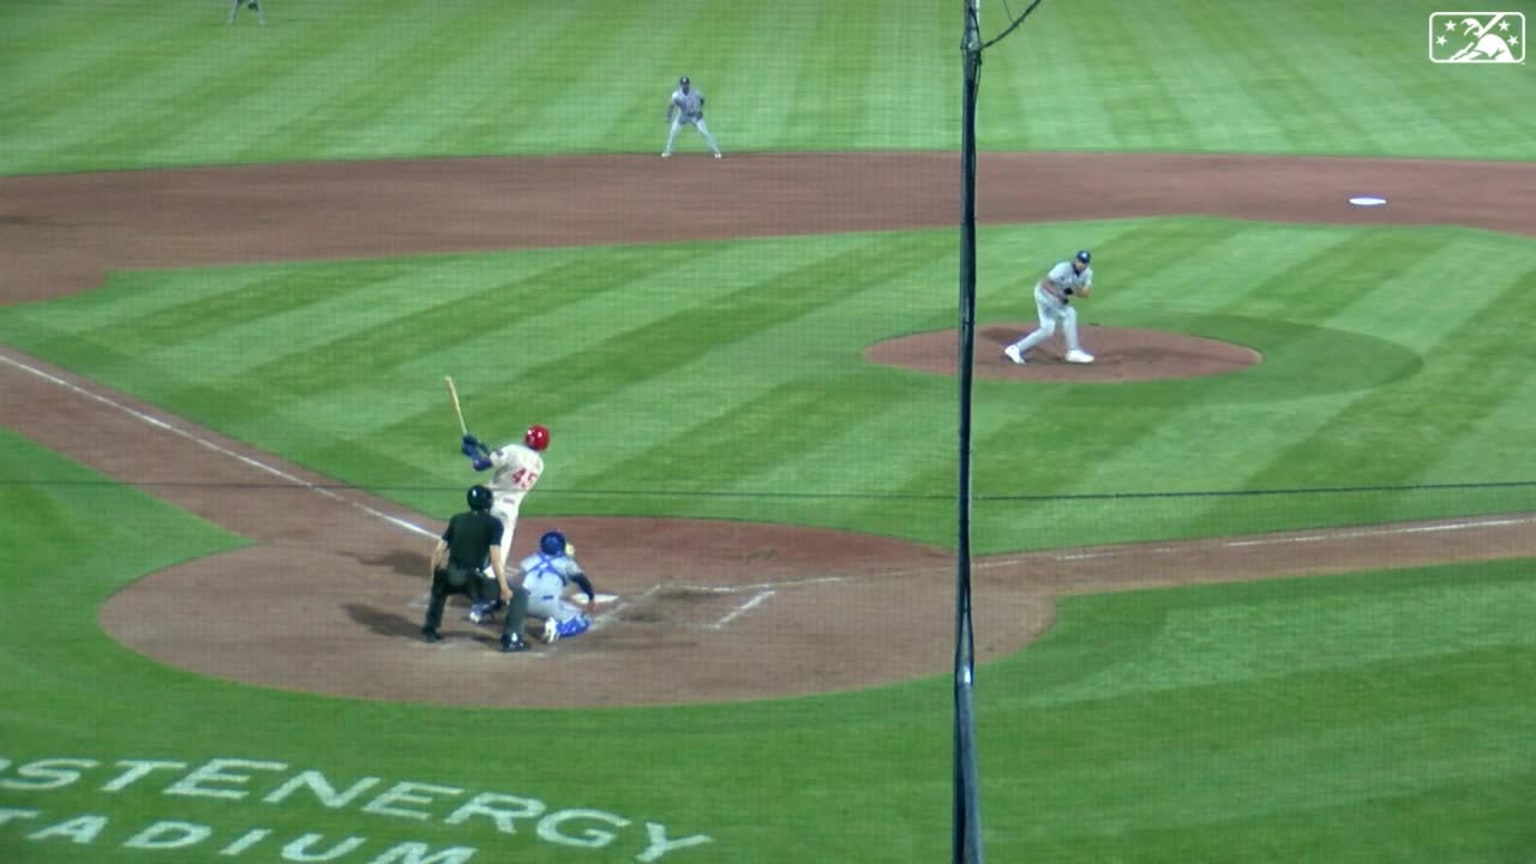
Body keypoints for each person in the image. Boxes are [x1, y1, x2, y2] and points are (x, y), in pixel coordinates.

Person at [421, 485, 533, 653]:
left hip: (452, 578)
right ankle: (512, 639)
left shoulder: (457, 519)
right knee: (520, 593)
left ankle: (430, 629)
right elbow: (495, 558)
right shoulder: (494, 524)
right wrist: (503, 588)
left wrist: (434, 578)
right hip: (474, 581)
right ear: (489, 502)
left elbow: (438, 552)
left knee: (439, 586)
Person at [459, 424, 549, 573]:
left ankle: (466, 571)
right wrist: (480, 444)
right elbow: (504, 459)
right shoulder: (539, 465)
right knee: (500, 552)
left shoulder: (513, 450)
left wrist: (472, 452)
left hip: (489, 504)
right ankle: (489, 584)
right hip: (510, 510)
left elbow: (480, 465)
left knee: (478, 542)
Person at [1003, 250, 1096, 365]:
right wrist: (1059, 294)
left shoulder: (1088, 273)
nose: (1082, 264)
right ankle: (1073, 351)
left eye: (1085, 262)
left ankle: (1015, 349)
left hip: (1055, 298)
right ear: (1076, 260)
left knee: (1047, 329)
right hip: (1044, 294)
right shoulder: (1063, 268)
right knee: (1070, 313)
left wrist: (1076, 291)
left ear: (1088, 263)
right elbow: (1044, 283)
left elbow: (1086, 293)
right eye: (1080, 261)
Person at [520, 530, 598, 643]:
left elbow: (516, 580)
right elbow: (582, 580)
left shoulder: (530, 560)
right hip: (548, 606)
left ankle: (512, 623)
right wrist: (591, 597)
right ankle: (558, 628)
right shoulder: (566, 563)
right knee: (583, 618)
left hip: (522, 604)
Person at [661, 76, 723, 159]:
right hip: (682, 116)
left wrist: (700, 110)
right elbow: (671, 105)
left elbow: (702, 100)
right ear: (680, 85)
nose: (684, 86)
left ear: (689, 85)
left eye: (686, 84)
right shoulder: (676, 95)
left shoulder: (695, 92)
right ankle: (668, 151)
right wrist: (668, 116)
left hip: (694, 115)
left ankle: (716, 151)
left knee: (704, 132)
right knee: (673, 132)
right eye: (683, 84)